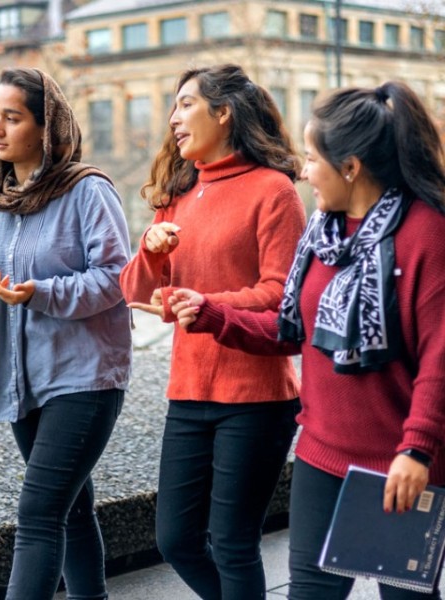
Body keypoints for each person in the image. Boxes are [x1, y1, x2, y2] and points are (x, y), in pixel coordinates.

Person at [171, 81, 445, 599]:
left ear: (351, 167)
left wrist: (418, 449)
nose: (302, 170)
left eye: (313, 157)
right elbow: (290, 330)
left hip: (400, 463)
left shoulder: (426, 233)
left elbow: (440, 357)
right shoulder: (324, 233)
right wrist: (213, 315)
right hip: (322, 452)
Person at [120, 63, 306, 599]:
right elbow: (132, 289)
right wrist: (151, 252)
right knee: (175, 539)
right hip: (189, 389)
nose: (173, 119)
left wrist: (206, 303)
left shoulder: (274, 192)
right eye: (173, 107)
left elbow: (281, 294)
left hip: (256, 395)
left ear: (223, 113)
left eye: (185, 104)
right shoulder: (177, 193)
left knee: (232, 544)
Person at [0, 67, 132, 600]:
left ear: (46, 127)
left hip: (85, 376)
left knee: (37, 513)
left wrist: (40, 292)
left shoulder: (87, 191)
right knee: (70, 508)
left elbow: (115, 279)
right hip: (24, 380)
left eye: (12, 117)